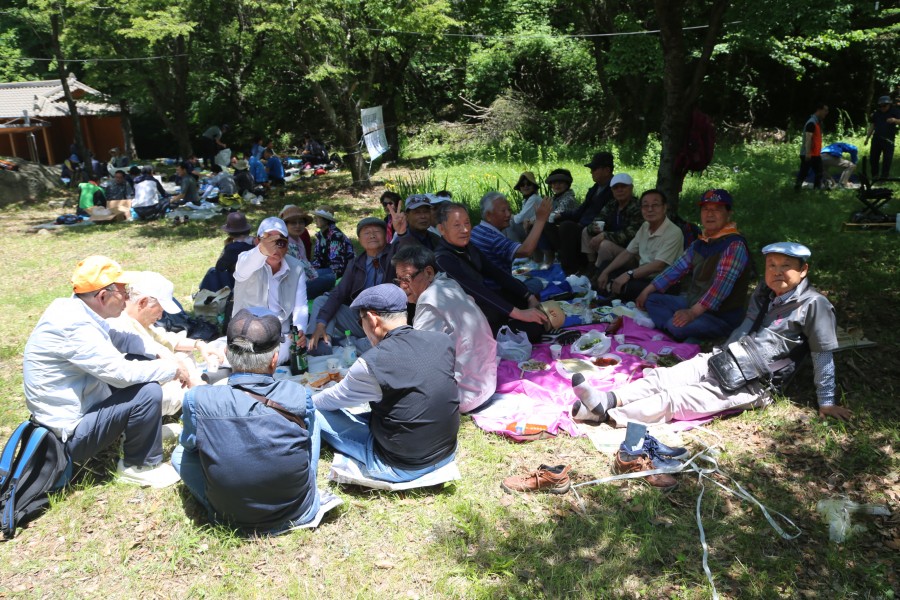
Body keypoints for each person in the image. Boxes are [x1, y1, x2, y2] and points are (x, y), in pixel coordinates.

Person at [570, 242, 851, 426]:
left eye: (786, 266)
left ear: (803, 270)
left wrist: (826, 402)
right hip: (729, 358)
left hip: (758, 382)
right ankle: (607, 400)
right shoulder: (765, 293)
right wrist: (722, 353)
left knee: (676, 399)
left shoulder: (814, 305)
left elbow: (822, 354)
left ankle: (607, 416)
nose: (777, 272)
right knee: (664, 378)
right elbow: (745, 326)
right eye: (771, 265)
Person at [23, 256, 190, 488]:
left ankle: (138, 436)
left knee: (142, 362)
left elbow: (121, 339)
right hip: (68, 436)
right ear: (103, 296)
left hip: (82, 411)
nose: (128, 298)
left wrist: (161, 353)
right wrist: (172, 369)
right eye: (124, 292)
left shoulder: (77, 309)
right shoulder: (74, 326)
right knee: (147, 391)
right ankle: (138, 466)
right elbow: (121, 374)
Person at [172, 307, 322, 531]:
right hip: (298, 511)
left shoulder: (198, 398)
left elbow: (190, 445)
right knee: (313, 422)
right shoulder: (298, 395)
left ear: (226, 353)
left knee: (179, 454)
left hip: (228, 517)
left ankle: (220, 497)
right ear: (274, 359)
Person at [313, 284, 460, 483]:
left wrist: (305, 399)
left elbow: (329, 400)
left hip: (400, 465)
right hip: (446, 453)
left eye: (360, 320)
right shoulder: (442, 341)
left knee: (313, 409)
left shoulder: (372, 363)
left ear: (372, 318)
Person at [636, 189, 753, 341]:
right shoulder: (701, 242)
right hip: (693, 301)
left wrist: (692, 313)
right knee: (651, 299)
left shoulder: (734, 245)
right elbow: (676, 269)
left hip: (720, 316)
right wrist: (647, 290)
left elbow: (719, 289)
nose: (710, 214)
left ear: (728, 214)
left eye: (717, 209)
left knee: (674, 325)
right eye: (705, 209)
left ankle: (674, 331)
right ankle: (678, 332)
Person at [392, 246, 497, 413]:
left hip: (464, 396)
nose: (402, 286)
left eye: (406, 279)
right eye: (399, 280)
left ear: (428, 272)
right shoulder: (448, 284)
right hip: (487, 385)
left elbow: (417, 358)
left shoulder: (428, 301)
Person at [109, 272, 222, 416]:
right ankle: (195, 394)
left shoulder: (140, 320)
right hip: (138, 391)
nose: (161, 316)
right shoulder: (119, 326)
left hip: (164, 377)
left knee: (183, 354)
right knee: (167, 390)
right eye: (160, 310)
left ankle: (195, 387)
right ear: (142, 303)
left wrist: (200, 345)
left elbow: (168, 339)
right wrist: (176, 370)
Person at [434, 202, 548, 343]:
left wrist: (529, 296)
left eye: (467, 223)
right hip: (470, 318)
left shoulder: (468, 247)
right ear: (442, 229)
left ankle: (512, 319)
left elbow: (496, 273)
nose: (465, 229)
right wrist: (519, 314)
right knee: (534, 329)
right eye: (457, 225)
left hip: (487, 306)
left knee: (526, 299)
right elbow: (477, 291)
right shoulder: (442, 259)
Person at [307, 217, 399, 355]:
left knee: (386, 345)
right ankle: (317, 343)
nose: (372, 235)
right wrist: (321, 324)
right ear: (360, 240)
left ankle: (345, 342)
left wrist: (402, 233)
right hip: (362, 320)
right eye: (366, 233)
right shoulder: (356, 264)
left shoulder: (395, 256)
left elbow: (406, 249)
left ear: (386, 236)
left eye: (377, 231)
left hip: (387, 322)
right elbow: (339, 293)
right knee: (322, 301)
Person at [233, 217, 308, 364]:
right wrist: (261, 251)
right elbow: (243, 268)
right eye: (268, 242)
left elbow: (301, 306)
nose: (274, 248)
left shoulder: (296, 267)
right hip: (247, 334)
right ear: (257, 242)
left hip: (279, 336)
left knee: (287, 349)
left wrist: (300, 332)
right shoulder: (246, 260)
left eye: (280, 242)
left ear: (287, 245)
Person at [594, 189, 684, 301]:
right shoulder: (645, 226)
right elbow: (628, 253)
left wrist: (628, 274)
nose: (650, 209)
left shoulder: (674, 232)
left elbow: (658, 265)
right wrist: (606, 272)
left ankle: (610, 293)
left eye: (655, 205)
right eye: (645, 206)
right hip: (642, 276)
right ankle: (609, 292)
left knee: (627, 286)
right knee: (605, 267)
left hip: (663, 282)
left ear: (664, 208)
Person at [470, 191, 552, 296]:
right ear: (488, 216)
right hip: (498, 292)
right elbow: (526, 250)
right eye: (503, 211)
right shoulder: (493, 238)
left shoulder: (476, 229)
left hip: (483, 287)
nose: (508, 214)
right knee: (536, 283)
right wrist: (540, 220)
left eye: (509, 210)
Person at [555, 152, 615, 273]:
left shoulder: (614, 189)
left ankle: (571, 269)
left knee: (567, 227)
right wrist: (561, 215)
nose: (591, 172)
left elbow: (607, 215)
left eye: (594, 169)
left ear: (607, 170)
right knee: (549, 224)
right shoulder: (595, 188)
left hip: (595, 228)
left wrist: (583, 224)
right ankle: (559, 261)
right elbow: (580, 211)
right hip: (583, 225)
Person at [582, 173, 643, 271]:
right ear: (612, 191)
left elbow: (632, 234)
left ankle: (599, 272)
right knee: (586, 231)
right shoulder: (612, 204)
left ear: (631, 188)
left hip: (631, 253)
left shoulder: (638, 207)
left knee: (605, 245)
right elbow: (598, 219)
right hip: (615, 244)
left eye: (623, 186)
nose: (620, 190)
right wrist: (593, 227)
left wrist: (604, 235)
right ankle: (591, 266)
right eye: (616, 188)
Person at [199, 212, 255, 293]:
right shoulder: (255, 242)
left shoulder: (232, 248)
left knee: (212, 272)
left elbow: (219, 267)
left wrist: (225, 248)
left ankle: (202, 293)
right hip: (254, 280)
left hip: (238, 283)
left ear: (230, 233)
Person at [538, 168, 579, 268]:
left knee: (543, 225)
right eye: (554, 183)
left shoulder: (568, 199)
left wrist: (536, 220)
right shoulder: (553, 199)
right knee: (536, 226)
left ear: (567, 184)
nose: (556, 185)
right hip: (556, 230)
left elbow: (554, 214)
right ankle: (545, 258)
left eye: (560, 183)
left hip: (568, 233)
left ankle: (553, 258)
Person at [310, 206, 355, 282]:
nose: (315, 220)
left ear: (326, 221)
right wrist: (311, 270)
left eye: (318, 218)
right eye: (315, 217)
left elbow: (336, 264)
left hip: (341, 272)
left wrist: (315, 273)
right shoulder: (320, 235)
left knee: (311, 279)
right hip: (327, 268)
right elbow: (317, 258)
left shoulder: (336, 236)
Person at [794, 102, 829, 191]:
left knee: (819, 172)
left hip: (815, 154)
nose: (826, 112)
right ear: (819, 110)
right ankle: (797, 189)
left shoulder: (817, 122)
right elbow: (808, 138)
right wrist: (808, 153)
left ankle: (816, 190)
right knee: (804, 173)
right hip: (809, 154)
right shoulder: (811, 123)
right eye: (825, 110)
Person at [864, 95, 900, 179]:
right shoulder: (877, 113)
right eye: (880, 106)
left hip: (889, 140)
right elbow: (872, 125)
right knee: (873, 158)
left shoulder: (895, 111)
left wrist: (894, 120)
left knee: (887, 159)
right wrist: (867, 138)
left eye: (884, 105)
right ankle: (875, 176)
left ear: (889, 104)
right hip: (876, 139)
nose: (882, 107)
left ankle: (884, 177)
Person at [506, 171, 543, 242]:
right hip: (531, 228)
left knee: (509, 224)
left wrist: (510, 215)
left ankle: (515, 247)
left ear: (533, 186)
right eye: (522, 184)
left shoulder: (534, 198)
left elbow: (518, 219)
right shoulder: (526, 200)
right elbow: (523, 218)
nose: (525, 186)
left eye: (528, 184)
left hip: (537, 230)